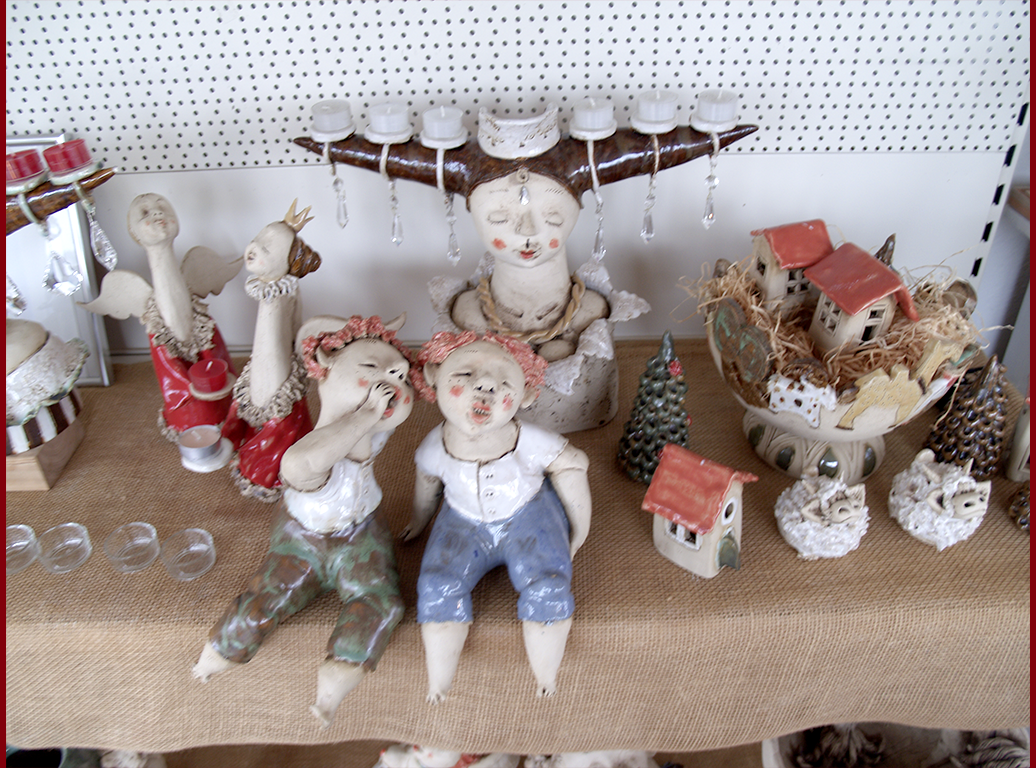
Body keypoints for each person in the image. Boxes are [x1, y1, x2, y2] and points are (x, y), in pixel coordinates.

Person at [192, 314, 414, 729]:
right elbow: (300, 464)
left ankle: (334, 683)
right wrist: (367, 414)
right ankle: (219, 653)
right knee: (268, 597)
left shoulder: (373, 433)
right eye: (372, 368)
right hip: (303, 541)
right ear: (325, 368)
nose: (391, 381)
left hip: (363, 536)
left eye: (400, 375)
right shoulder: (316, 448)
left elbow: (383, 422)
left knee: (382, 603)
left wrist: (374, 415)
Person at [402, 331, 591, 703]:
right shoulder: (434, 446)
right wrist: (419, 520)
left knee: (548, 584)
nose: (486, 386)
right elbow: (427, 484)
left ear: (525, 396)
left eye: (505, 383)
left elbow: (573, 465)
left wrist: (579, 527)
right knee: (438, 582)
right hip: (462, 522)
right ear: (434, 375)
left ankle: (545, 674)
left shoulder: (529, 440)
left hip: (528, 516)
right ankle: (439, 679)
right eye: (465, 374)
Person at [220, 202, 321, 501]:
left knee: (273, 401)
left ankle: (272, 467)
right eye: (258, 239)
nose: (254, 247)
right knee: (256, 397)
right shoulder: (278, 290)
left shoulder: (284, 292)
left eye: (267, 247)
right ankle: (255, 449)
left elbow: (291, 328)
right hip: (267, 362)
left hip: (276, 365)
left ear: (287, 263)